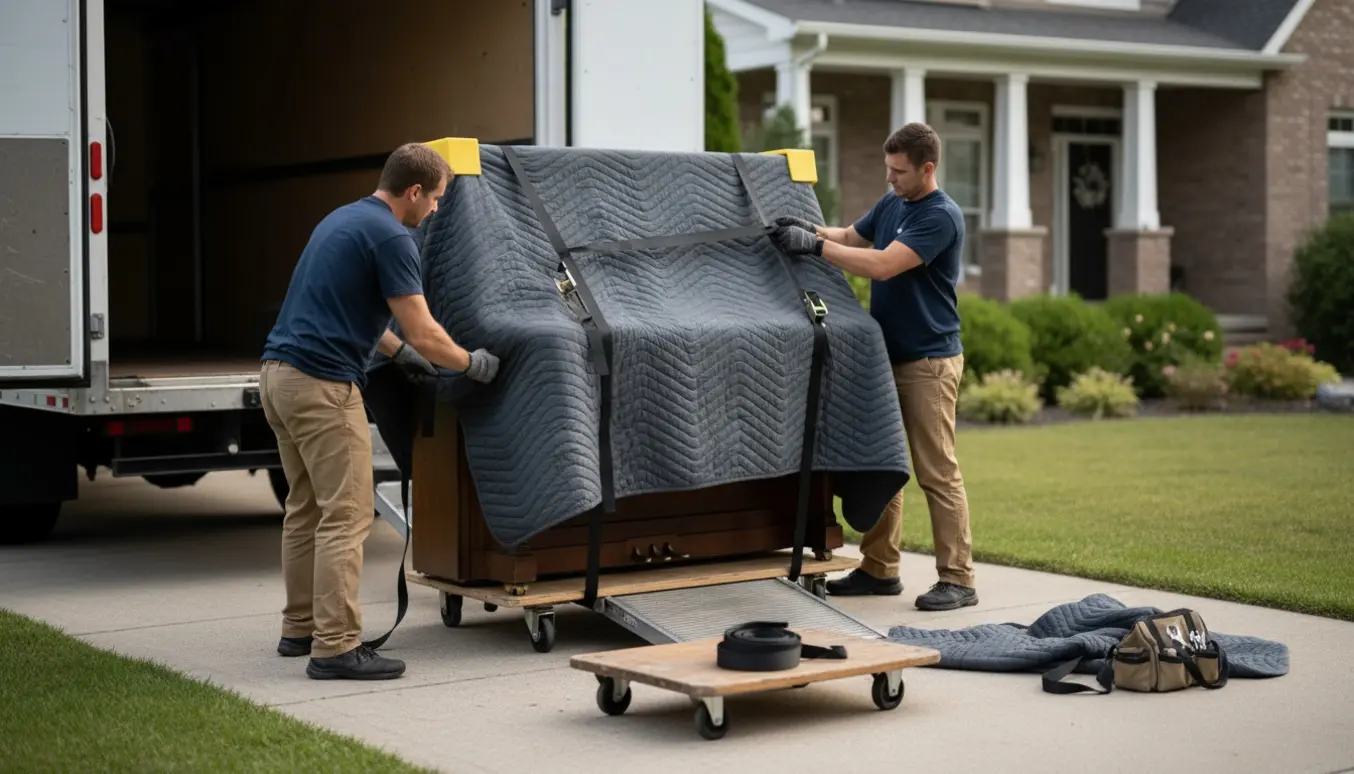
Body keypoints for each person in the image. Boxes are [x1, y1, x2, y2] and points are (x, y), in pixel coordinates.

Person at [259, 142, 501, 680]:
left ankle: (299, 629)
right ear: (413, 192)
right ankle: (336, 647)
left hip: (278, 376)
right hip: (323, 385)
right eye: (435, 198)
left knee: (305, 510)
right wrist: (470, 363)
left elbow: (345, 307)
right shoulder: (395, 237)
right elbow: (425, 330)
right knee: (346, 515)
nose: (436, 209)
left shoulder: (344, 219)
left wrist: (398, 353)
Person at [769, 122, 977, 612]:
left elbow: (882, 264)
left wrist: (817, 248)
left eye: (899, 172)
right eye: (888, 169)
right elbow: (850, 237)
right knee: (885, 459)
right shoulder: (894, 203)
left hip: (929, 361)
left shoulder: (940, 216)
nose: (890, 179)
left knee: (937, 471)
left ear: (929, 168)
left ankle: (959, 579)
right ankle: (879, 569)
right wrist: (806, 230)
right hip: (887, 353)